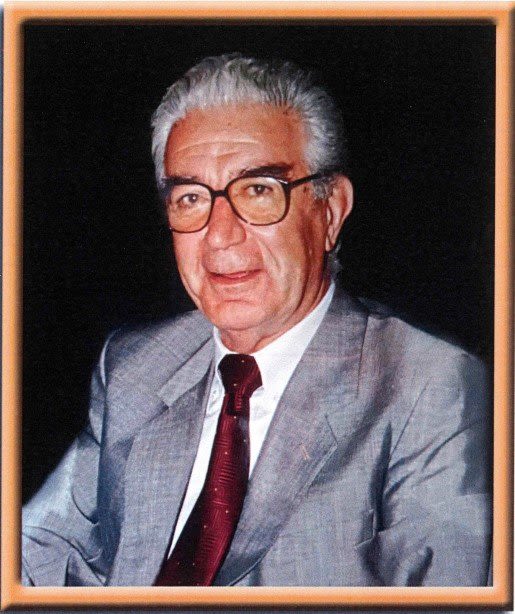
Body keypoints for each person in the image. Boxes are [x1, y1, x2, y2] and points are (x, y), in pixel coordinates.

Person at [22, 53, 491, 587]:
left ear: (330, 211)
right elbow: (39, 554)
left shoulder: (429, 389)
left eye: (258, 190)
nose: (220, 236)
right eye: (191, 198)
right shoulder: (136, 367)